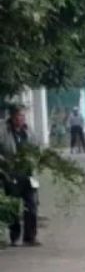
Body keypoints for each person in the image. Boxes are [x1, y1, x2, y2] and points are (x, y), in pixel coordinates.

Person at [0, 104, 40, 246]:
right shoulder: (3, 131)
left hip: (29, 175)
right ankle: (14, 237)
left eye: (23, 116)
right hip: (11, 175)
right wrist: (5, 161)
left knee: (32, 205)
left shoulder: (29, 131)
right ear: (11, 117)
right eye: (18, 116)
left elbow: (37, 148)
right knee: (13, 207)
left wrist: (35, 158)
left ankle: (30, 237)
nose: (21, 119)